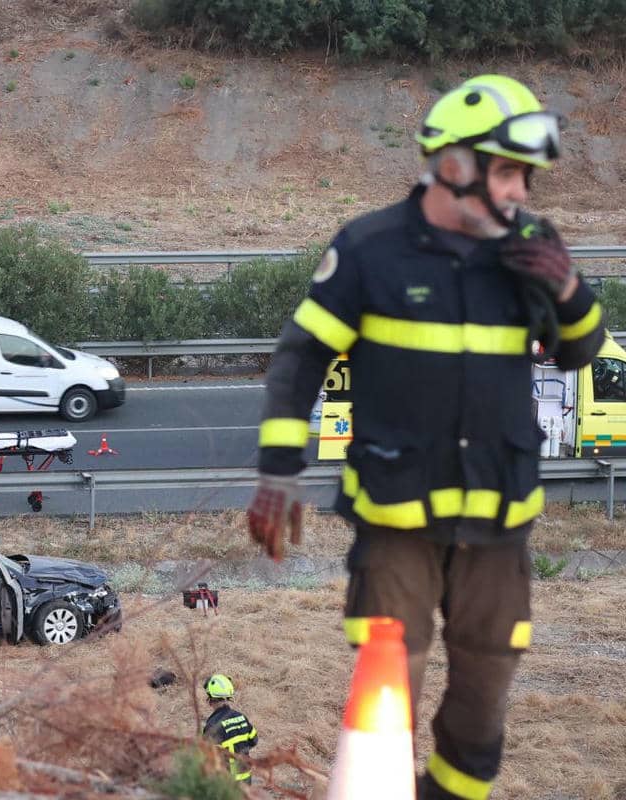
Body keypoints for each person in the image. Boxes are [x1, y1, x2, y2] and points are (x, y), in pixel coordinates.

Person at [246, 74, 603, 799]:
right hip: (396, 523)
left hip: (498, 525)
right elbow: (300, 358)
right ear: (452, 166)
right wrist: (280, 469)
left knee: (482, 710)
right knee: (390, 693)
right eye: (506, 172)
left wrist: (569, 291)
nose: (520, 193)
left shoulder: (534, 245)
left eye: (525, 176)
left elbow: (579, 352)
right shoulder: (371, 249)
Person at [201, 675, 258, 784]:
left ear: (211, 699)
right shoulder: (241, 717)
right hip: (246, 778)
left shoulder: (213, 725)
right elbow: (254, 740)